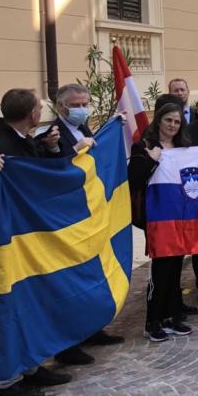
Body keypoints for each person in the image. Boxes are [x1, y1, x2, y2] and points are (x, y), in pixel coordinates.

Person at [0, 88, 71, 396]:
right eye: (39, 107)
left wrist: (50, 149)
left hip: (34, 240)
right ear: (32, 114)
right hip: (9, 244)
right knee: (12, 308)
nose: (40, 112)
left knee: (36, 303)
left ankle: (33, 367)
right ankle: (10, 384)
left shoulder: (26, 140)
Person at [48, 83, 124, 362]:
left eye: (85, 103)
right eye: (77, 104)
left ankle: (92, 327)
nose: (82, 109)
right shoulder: (52, 135)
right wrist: (71, 152)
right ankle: (66, 345)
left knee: (92, 273)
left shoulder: (86, 128)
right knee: (71, 281)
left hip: (91, 215)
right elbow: (52, 173)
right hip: (69, 219)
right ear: (62, 107)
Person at [129, 102, 196, 343]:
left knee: (176, 266)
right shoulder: (144, 147)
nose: (172, 125)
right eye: (168, 120)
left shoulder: (183, 148)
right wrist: (151, 160)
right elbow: (134, 179)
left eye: (177, 122)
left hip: (179, 215)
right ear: (159, 120)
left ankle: (172, 316)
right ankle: (153, 321)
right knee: (161, 269)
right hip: (157, 217)